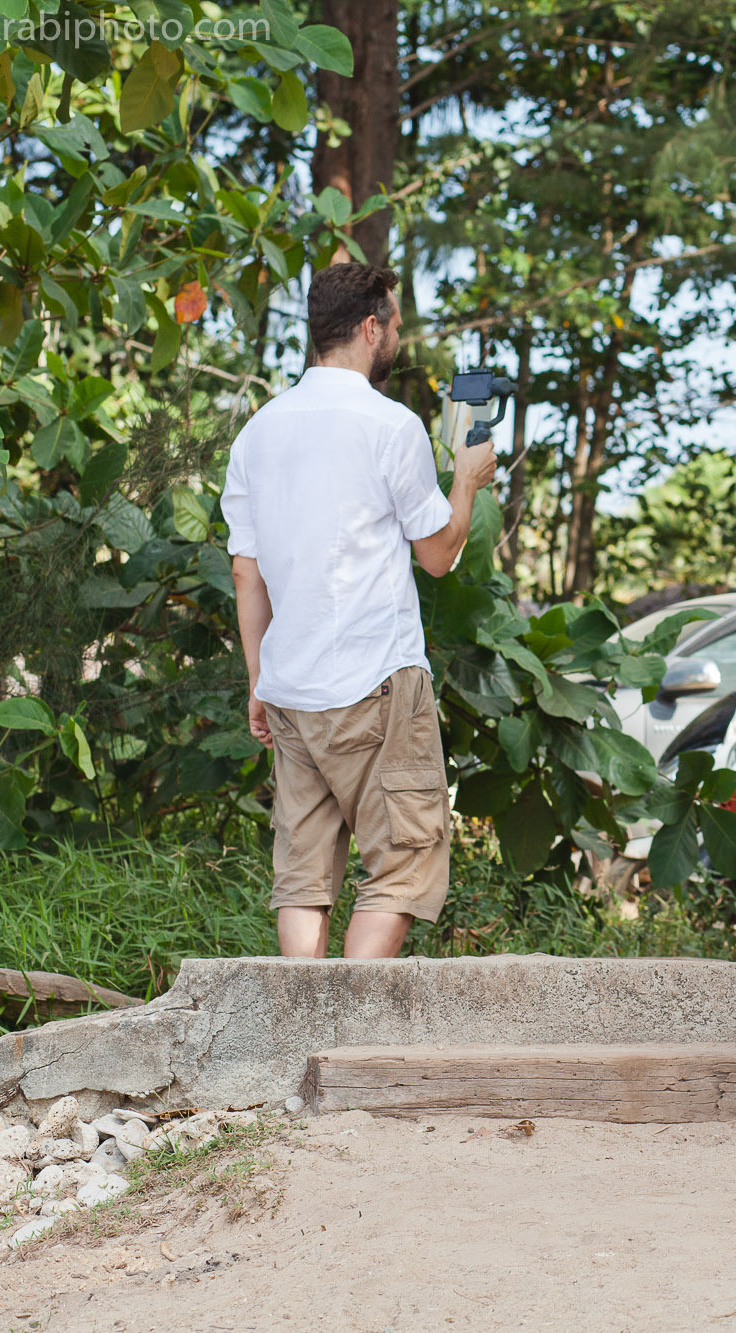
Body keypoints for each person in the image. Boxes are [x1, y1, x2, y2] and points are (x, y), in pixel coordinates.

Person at [221, 262, 498, 959]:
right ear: (371, 327)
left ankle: (299, 1040)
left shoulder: (258, 431)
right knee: (403, 866)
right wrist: (465, 482)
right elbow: (438, 553)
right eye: (395, 324)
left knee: (302, 879)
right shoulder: (390, 425)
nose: (397, 335)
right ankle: (344, 1036)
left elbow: (245, 570)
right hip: (377, 683)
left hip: (290, 688)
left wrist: (259, 678)